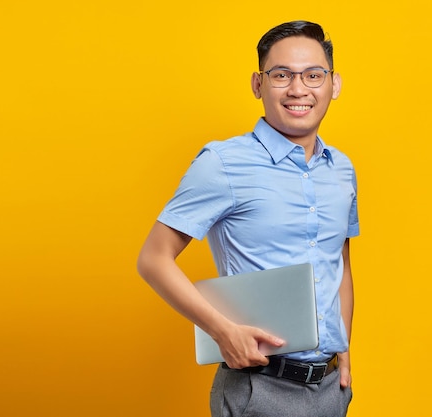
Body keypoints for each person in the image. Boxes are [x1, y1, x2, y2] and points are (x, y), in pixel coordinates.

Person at [137, 20, 359, 417]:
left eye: (313, 75)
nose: (298, 89)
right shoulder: (223, 163)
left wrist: (344, 349)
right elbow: (153, 259)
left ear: (334, 84)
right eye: (281, 75)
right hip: (260, 387)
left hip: (330, 391)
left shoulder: (341, 169)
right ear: (258, 85)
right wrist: (222, 331)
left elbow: (339, 262)